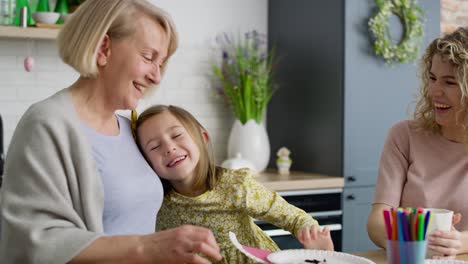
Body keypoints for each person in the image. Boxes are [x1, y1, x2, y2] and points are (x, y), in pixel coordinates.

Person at [0, 1, 222, 263]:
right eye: (149, 57)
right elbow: (32, 242)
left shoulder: (131, 129)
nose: (156, 77)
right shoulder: (46, 124)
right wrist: (148, 248)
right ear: (104, 48)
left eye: (160, 64)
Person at [134, 104, 335, 263]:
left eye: (177, 135)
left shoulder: (235, 186)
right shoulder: (157, 201)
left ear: (203, 138)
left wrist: (314, 239)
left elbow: (292, 216)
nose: (169, 148)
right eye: (155, 146)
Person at [367, 27, 468, 259]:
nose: (433, 91)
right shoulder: (404, 136)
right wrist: (416, 239)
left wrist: (459, 242)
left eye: (450, 82)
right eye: (432, 78)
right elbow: (376, 222)